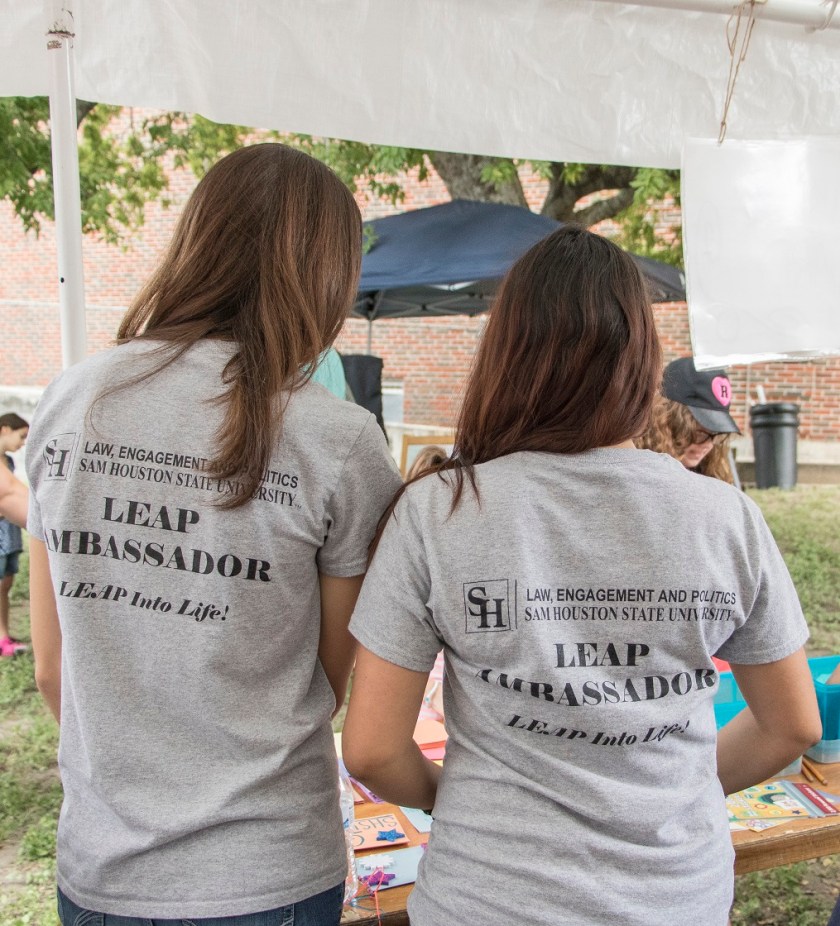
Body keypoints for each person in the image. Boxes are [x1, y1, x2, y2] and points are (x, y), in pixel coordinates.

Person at [342, 226, 821, 926]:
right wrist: (675, 795)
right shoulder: (725, 517)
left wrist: (461, 797)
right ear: (644, 364)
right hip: (673, 899)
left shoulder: (438, 511)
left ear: (505, 355)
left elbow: (371, 749)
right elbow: (794, 724)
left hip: (488, 899)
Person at [26, 144, 401, 926]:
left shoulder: (70, 400)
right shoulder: (338, 440)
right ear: (326, 274)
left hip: (102, 862)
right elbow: (326, 679)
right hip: (266, 866)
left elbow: (54, 670)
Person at [636, 356, 740, 483]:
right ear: (666, 419)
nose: (708, 445)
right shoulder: (638, 473)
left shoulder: (712, 478)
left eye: (716, 434)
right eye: (699, 433)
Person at [0, 412, 29, 656]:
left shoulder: (8, 462)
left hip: (9, 530)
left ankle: (3, 635)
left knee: (5, 584)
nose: (23, 443)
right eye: (22, 436)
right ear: (5, 429)